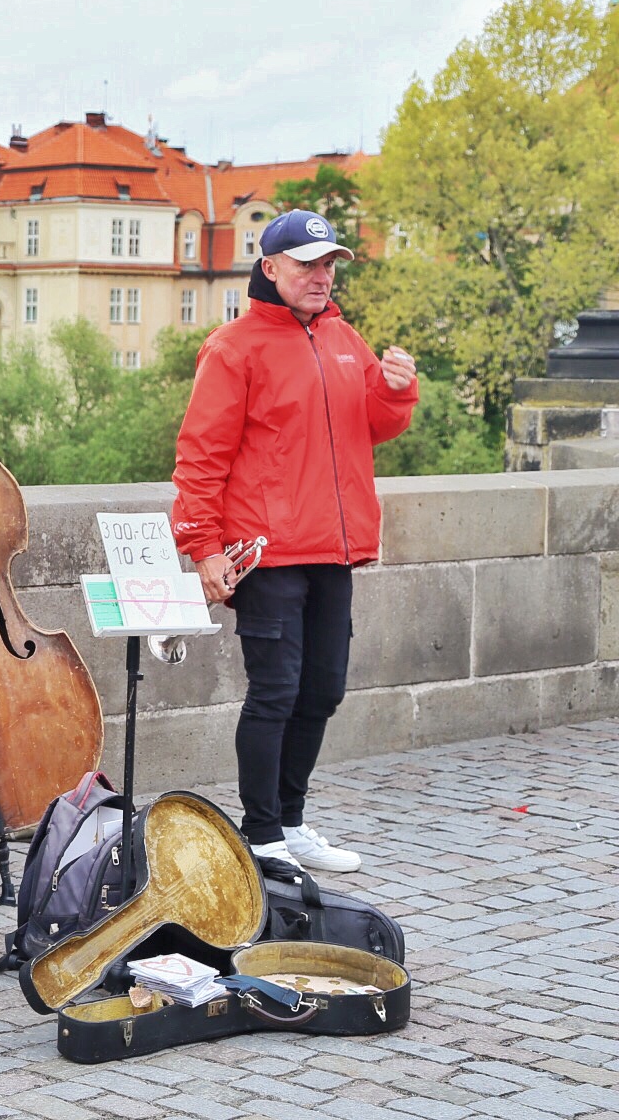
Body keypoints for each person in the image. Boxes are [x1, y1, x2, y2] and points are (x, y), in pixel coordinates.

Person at [171, 208, 418, 874]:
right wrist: (203, 548)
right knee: (275, 692)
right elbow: (200, 455)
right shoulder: (234, 346)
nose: (321, 276)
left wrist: (397, 391)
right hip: (266, 552)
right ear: (270, 267)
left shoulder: (344, 338)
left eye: (328, 263)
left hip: (334, 550)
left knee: (323, 691)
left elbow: (373, 424)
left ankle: (290, 820)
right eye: (307, 264)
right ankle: (260, 834)